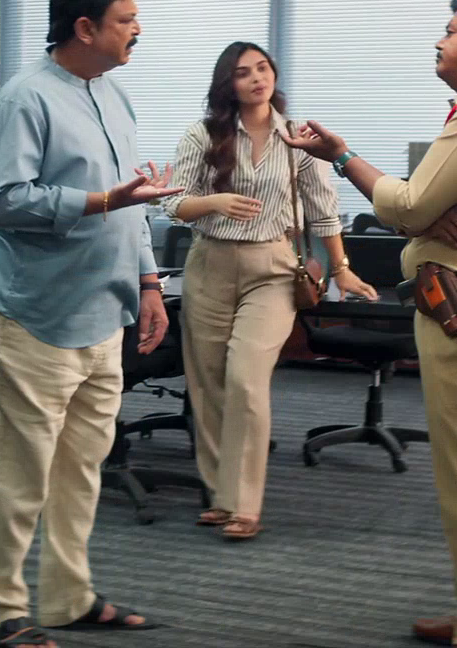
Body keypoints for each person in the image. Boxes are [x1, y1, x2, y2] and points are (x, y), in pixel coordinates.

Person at [281, 0, 457, 648]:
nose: (439, 40)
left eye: (451, 29)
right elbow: (423, 209)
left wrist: (342, 157)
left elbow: (405, 206)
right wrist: (426, 217)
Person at [0, 0, 178, 648]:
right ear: (85, 28)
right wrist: (102, 200)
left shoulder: (114, 97)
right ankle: (1, 611)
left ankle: (68, 597)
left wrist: (149, 284)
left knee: (81, 472)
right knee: (17, 476)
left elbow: (133, 206)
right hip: (37, 315)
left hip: (104, 313)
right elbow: (5, 202)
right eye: (126, 19)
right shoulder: (23, 98)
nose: (138, 29)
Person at [159, 41, 379, 542]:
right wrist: (214, 201)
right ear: (228, 84)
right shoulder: (202, 134)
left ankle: (245, 505)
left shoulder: (298, 137)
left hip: (273, 268)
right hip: (210, 264)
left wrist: (342, 269)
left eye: (263, 68)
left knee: (245, 379)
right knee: (208, 384)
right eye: (243, 72)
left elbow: (323, 210)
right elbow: (174, 205)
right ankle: (221, 497)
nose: (257, 78)